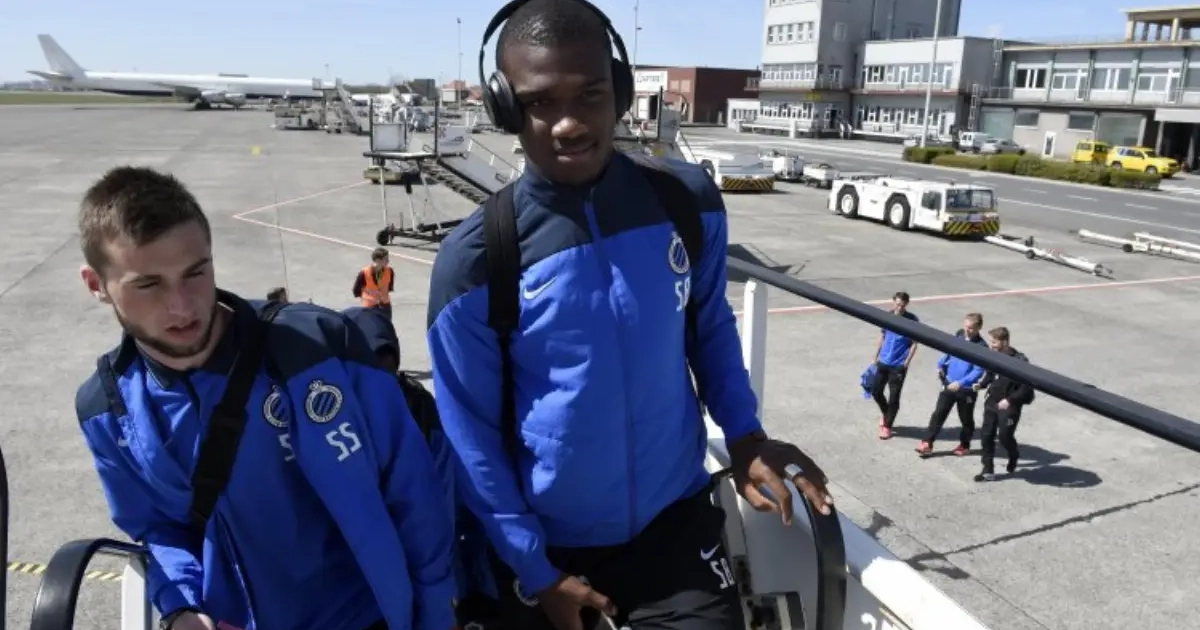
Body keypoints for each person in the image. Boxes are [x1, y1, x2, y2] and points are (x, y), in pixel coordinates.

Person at [425, 2, 834, 630]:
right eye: (539, 103)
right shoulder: (475, 260)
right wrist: (536, 569)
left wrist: (746, 438)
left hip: (676, 529)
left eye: (589, 95)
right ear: (507, 108)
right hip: (549, 548)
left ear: (618, 91)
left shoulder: (686, 201)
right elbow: (470, 436)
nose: (568, 124)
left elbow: (708, 327)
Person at [73, 166, 457, 630]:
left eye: (196, 273)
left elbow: (414, 490)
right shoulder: (105, 411)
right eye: (149, 284)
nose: (182, 305)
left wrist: (437, 616)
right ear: (96, 285)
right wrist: (181, 608)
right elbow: (159, 528)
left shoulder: (319, 347)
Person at [916, 312, 987, 458]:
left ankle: (964, 445)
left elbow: (978, 371)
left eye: (971, 328)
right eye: (966, 326)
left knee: (966, 419)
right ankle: (927, 443)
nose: (967, 330)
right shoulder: (959, 334)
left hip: (966, 390)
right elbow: (950, 350)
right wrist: (941, 364)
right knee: (938, 414)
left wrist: (961, 383)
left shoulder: (982, 347)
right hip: (949, 383)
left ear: (979, 327)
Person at [973, 327, 1034, 481]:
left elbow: (1026, 387)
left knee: (1004, 436)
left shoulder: (1019, 361)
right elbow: (990, 375)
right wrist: (981, 385)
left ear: (1005, 342)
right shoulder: (993, 356)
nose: (991, 345)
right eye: (991, 341)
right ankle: (988, 470)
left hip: (1010, 405)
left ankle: (1014, 455)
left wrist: (1009, 400)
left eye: (994, 342)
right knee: (986, 435)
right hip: (992, 401)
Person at [869, 291, 919, 440]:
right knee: (876, 390)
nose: (899, 308)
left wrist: (906, 362)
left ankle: (888, 426)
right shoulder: (888, 316)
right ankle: (887, 414)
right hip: (883, 361)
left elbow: (914, 343)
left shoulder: (912, 320)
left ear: (906, 304)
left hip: (898, 365)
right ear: (893, 302)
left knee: (894, 397)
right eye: (897, 305)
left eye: (902, 305)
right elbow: (883, 336)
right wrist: (875, 356)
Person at [352, 247, 394, 320]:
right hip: (370, 307)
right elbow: (356, 290)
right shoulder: (364, 273)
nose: (388, 261)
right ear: (378, 260)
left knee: (386, 326)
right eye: (386, 259)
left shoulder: (390, 271)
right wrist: (368, 294)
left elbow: (390, 287)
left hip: (385, 306)